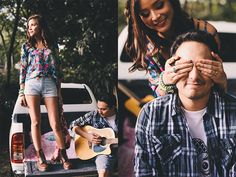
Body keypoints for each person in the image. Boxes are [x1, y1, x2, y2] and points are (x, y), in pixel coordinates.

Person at [134, 31, 236, 177]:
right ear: (172, 69)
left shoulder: (232, 112)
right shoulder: (151, 114)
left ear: (216, 68)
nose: (194, 76)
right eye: (185, 67)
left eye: (203, 66)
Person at [125, 0, 227, 97]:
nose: (155, 17)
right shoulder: (146, 46)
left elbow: (218, 86)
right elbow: (158, 96)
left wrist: (221, 80)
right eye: (145, 14)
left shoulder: (205, 30)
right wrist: (165, 82)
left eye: (159, 6)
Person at [19, 14, 72, 171]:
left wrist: (59, 90)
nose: (31, 27)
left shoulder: (51, 44)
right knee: (35, 122)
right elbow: (22, 70)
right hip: (31, 84)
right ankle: (40, 157)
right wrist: (21, 92)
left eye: (34, 24)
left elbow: (58, 69)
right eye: (29, 25)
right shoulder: (26, 47)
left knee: (55, 123)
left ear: (41, 26)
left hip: (49, 83)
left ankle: (64, 155)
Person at [70, 93, 118, 177]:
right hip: (102, 153)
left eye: (103, 109)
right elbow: (73, 125)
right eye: (98, 108)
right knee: (103, 173)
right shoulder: (94, 114)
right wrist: (88, 136)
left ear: (113, 107)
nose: (99, 111)